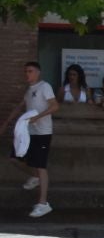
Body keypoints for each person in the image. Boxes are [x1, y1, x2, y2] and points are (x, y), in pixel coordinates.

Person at [10, 60, 56, 218]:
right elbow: (19, 107)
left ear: (37, 72)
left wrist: (38, 117)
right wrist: (5, 125)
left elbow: (55, 106)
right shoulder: (29, 90)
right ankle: (35, 177)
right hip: (29, 132)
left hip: (43, 132)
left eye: (30, 71)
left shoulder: (45, 86)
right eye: (25, 71)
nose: (27, 74)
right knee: (15, 158)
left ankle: (43, 204)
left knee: (41, 166)